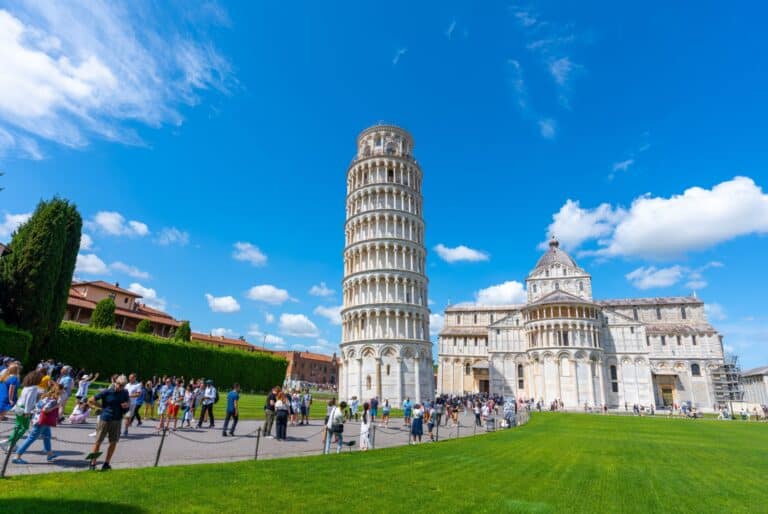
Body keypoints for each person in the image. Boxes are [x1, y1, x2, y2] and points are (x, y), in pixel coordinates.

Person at [88, 374, 129, 471]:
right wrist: (101, 407)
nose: (120, 387)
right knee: (98, 442)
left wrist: (126, 405)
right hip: (105, 419)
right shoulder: (107, 392)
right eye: (119, 384)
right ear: (115, 382)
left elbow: (127, 403)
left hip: (117, 420)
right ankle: (92, 463)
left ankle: (106, 463)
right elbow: (90, 400)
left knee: (113, 442)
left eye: (122, 385)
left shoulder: (125, 393)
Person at [13, 382, 61, 464]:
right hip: (42, 422)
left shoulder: (43, 398)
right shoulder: (53, 401)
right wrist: (56, 407)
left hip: (39, 420)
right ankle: (17, 456)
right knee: (31, 438)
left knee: (47, 436)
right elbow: (45, 410)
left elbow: (36, 409)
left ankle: (50, 454)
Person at [0, 369, 44, 452]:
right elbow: (29, 400)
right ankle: (8, 442)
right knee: (24, 428)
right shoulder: (34, 388)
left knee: (18, 427)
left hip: (19, 407)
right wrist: (27, 412)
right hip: (24, 409)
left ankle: (11, 444)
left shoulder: (27, 387)